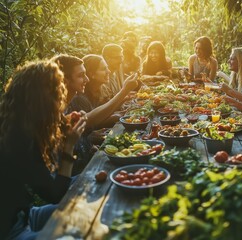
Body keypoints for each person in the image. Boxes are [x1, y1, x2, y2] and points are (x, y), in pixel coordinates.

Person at [0, 60, 86, 239]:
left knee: (84, 205)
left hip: (25, 214)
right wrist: (69, 146)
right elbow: (55, 194)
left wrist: (63, 128)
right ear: (42, 99)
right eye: (56, 94)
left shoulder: (15, 123)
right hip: (12, 230)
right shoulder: (17, 139)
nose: (60, 101)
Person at [55, 54, 139, 175]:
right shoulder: (75, 100)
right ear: (64, 80)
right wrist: (124, 91)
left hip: (88, 160)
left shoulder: (72, 99)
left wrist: (89, 146)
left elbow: (83, 132)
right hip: (79, 173)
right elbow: (89, 120)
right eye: (81, 75)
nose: (87, 79)